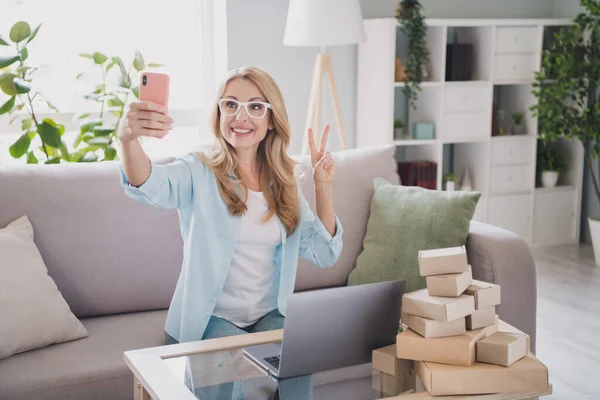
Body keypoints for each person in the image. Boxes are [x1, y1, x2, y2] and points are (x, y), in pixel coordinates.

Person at [118, 66, 343, 398]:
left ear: (271, 121)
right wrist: (127, 137)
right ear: (219, 113)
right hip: (211, 318)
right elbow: (148, 182)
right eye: (231, 104)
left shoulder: (284, 183)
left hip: (267, 316)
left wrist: (323, 186)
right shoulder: (198, 169)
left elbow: (324, 253)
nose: (241, 116)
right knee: (222, 368)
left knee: (298, 358)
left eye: (255, 106)